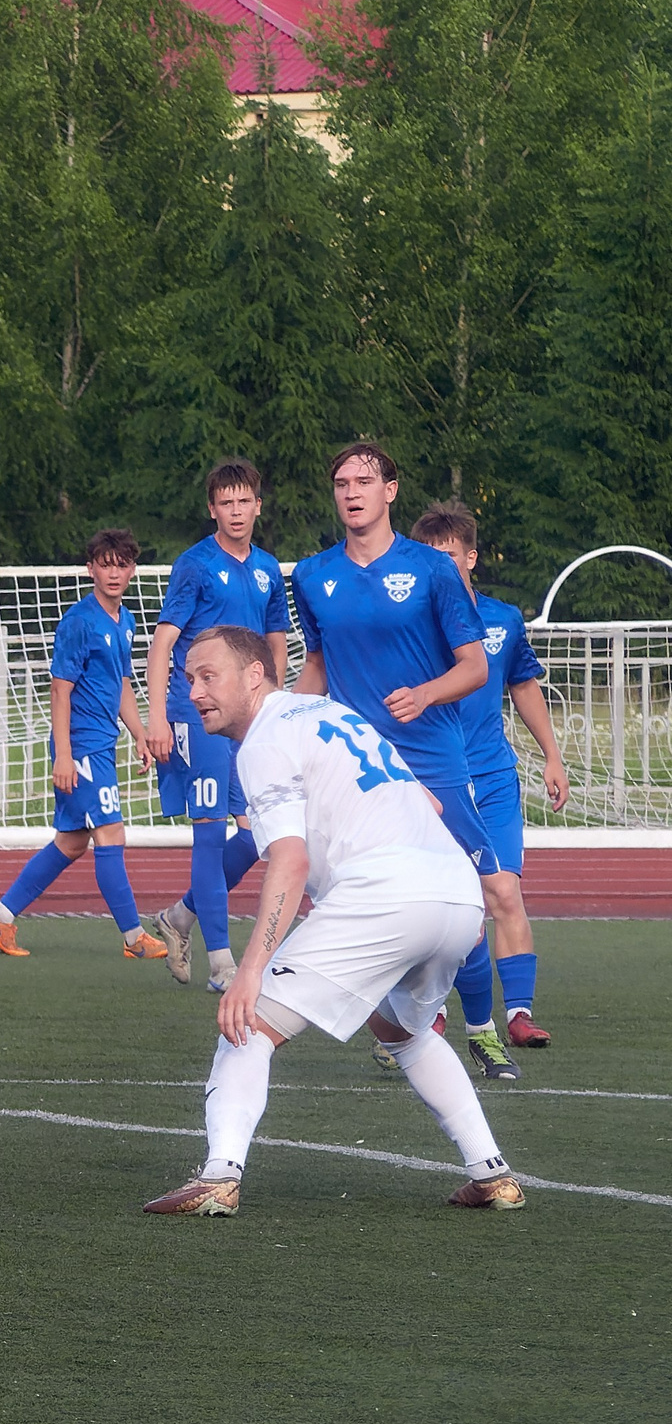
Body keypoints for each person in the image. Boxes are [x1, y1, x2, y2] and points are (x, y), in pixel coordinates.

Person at [142, 627, 525, 1216]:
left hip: (386, 895)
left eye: (208, 676)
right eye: (189, 678)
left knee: (247, 1024)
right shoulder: (330, 712)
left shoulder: (264, 741)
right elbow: (430, 803)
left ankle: (219, 1176)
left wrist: (251, 970)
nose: (193, 692)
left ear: (254, 674)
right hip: (455, 893)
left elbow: (290, 862)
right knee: (404, 1032)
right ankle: (491, 1173)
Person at [288, 445, 502, 1073]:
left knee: (472, 895)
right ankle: (402, 1022)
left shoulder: (433, 570)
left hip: (433, 757)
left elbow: (475, 666)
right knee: (358, 894)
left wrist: (426, 694)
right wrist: (281, 723)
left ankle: (482, 1027)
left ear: (391, 491)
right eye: (341, 483)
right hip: (358, 766)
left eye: (364, 480)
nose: (351, 491)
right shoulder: (312, 576)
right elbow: (318, 665)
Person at [412, 502, 570, 1058]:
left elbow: (523, 685)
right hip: (434, 780)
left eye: (450, 556)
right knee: (438, 902)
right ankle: (427, 1012)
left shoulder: (502, 620)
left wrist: (552, 756)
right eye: (430, 558)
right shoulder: (410, 625)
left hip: (494, 778)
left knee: (503, 891)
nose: (441, 566)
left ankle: (519, 1015)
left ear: (471, 558)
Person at [0, 531, 168, 961]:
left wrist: (139, 733)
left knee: (72, 842)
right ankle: (134, 937)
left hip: (100, 744)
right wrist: (63, 755)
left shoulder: (126, 620)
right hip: (81, 747)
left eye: (122, 565)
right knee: (111, 833)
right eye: (106, 564)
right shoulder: (79, 621)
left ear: (132, 570)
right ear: (90, 568)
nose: (114, 573)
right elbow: (60, 690)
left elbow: (121, 683)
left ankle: (0, 917)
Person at [142, 460, 294, 993]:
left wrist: (275, 704)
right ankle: (222, 963)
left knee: (257, 834)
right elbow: (163, 642)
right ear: (212, 509)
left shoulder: (268, 569)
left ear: (258, 505)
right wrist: (157, 716)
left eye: (243, 501)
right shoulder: (195, 565)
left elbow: (275, 644)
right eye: (225, 502)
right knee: (209, 833)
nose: (236, 511)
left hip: (247, 716)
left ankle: (180, 916)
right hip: (198, 713)